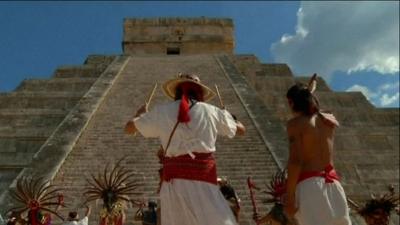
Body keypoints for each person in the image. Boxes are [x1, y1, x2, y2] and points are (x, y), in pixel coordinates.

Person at [125, 73, 246, 225]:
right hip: (205, 181)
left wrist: (139, 114)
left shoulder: (161, 111)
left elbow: (129, 128)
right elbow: (242, 130)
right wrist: (229, 116)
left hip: (173, 185)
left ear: (176, 91)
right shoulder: (213, 111)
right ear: (199, 91)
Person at [283, 74, 351, 225]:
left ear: (291, 102)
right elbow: (314, 109)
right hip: (334, 186)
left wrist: (289, 197)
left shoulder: (295, 124)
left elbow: (296, 161)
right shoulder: (327, 120)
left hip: (311, 187)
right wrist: (309, 92)